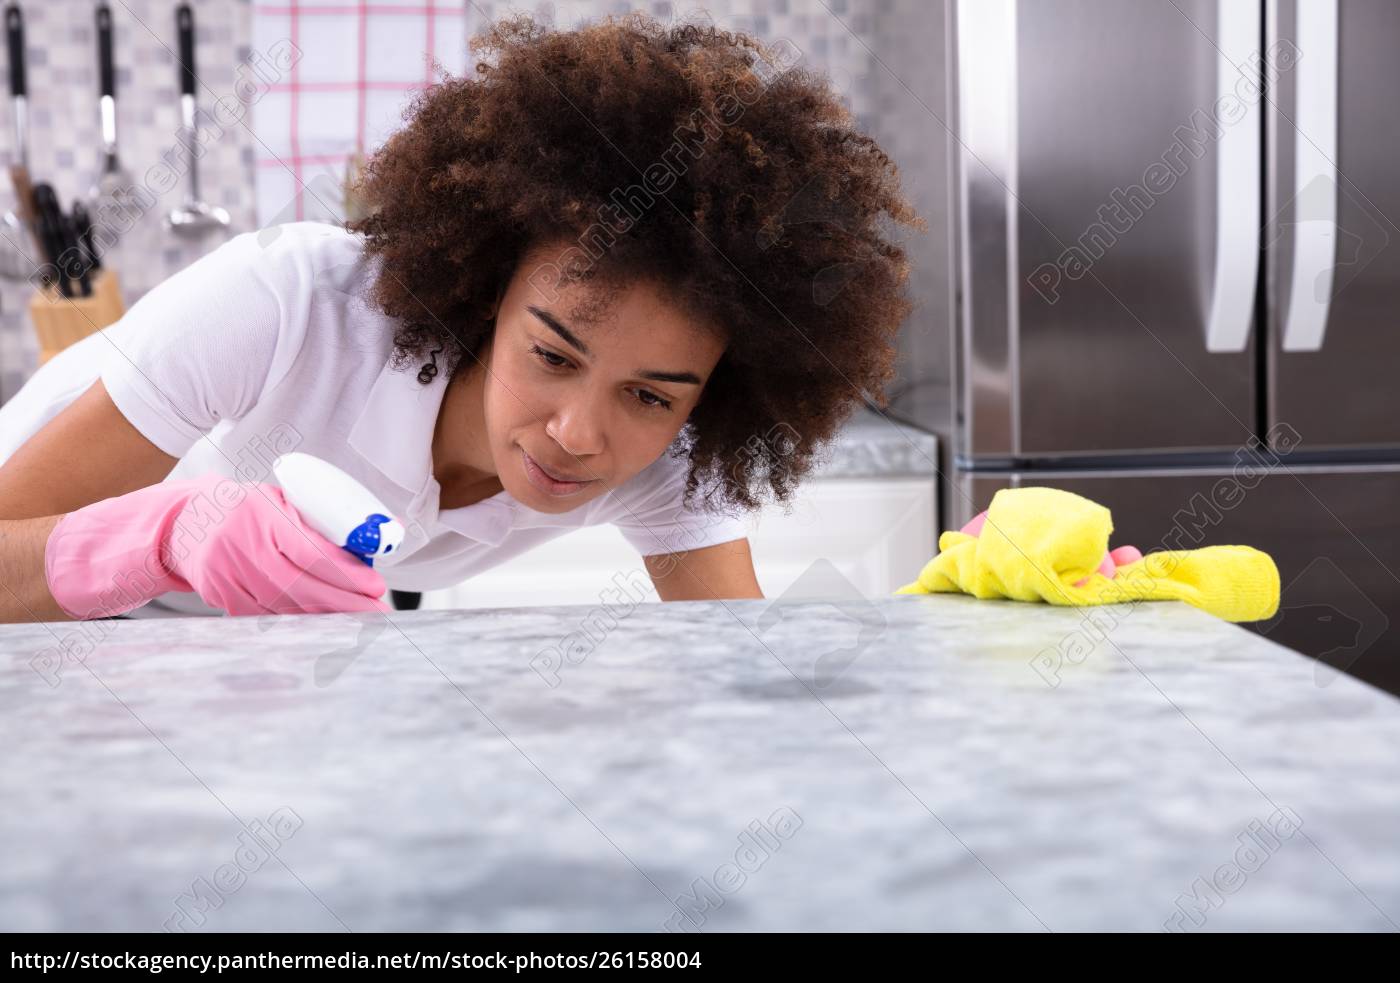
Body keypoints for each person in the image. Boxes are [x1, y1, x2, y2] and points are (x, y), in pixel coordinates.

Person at [0, 13, 922, 622]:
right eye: (552, 355)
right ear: (485, 298)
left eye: (648, 395)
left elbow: (737, 668)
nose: (576, 435)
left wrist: (955, 608)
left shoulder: (673, 453)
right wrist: (167, 535)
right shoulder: (283, 305)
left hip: (248, 657)